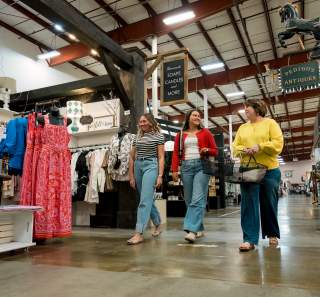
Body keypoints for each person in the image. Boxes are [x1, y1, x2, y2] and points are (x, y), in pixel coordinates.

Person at [232, 99, 284, 251]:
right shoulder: (242, 127)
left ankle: (272, 233)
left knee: (269, 203)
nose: (245, 110)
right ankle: (249, 239)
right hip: (248, 170)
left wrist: (260, 147)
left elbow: (277, 144)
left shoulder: (270, 124)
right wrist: (244, 149)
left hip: (270, 170)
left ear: (257, 108)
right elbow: (235, 147)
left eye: (247, 107)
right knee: (248, 204)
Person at [171, 110, 218, 243]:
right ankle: (199, 227)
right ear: (188, 118)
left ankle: (191, 231)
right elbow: (175, 153)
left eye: (199, 116)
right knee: (189, 200)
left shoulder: (206, 132)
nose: (198, 117)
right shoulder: (179, 135)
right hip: (186, 167)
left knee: (197, 198)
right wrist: (174, 170)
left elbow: (215, 150)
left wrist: (207, 150)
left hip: (202, 165)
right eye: (194, 115)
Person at [127, 113, 165, 245]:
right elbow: (132, 157)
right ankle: (158, 223)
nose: (141, 123)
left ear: (150, 122)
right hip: (138, 165)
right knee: (147, 198)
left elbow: (161, 157)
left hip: (151, 165)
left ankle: (139, 233)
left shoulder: (159, 136)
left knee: (144, 200)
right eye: (140, 122)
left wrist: (160, 175)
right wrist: (131, 176)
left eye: (144, 121)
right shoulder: (137, 136)